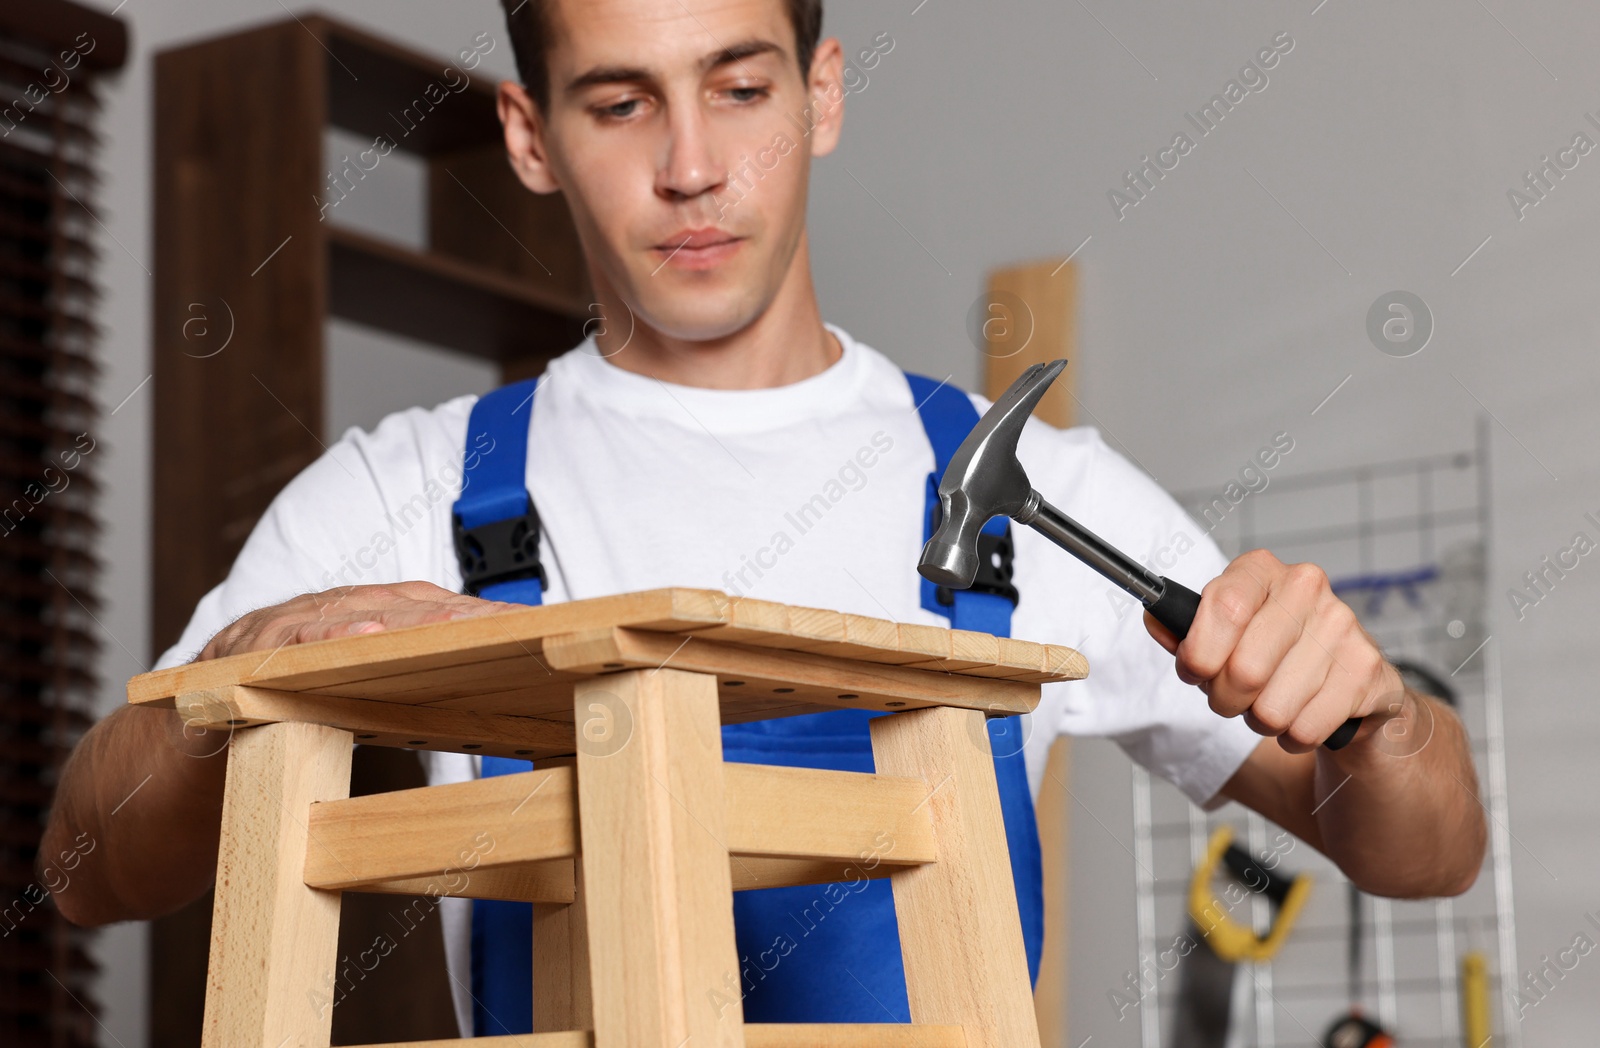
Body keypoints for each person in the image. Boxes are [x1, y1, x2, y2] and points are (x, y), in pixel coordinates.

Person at [43, 0, 1486, 1036]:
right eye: (619, 103)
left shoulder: (1034, 491)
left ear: (824, 91)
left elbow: (1428, 854)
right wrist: (225, 689)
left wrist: (1377, 723)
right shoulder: (403, 492)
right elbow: (83, 873)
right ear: (530, 135)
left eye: (739, 87)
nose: (689, 166)